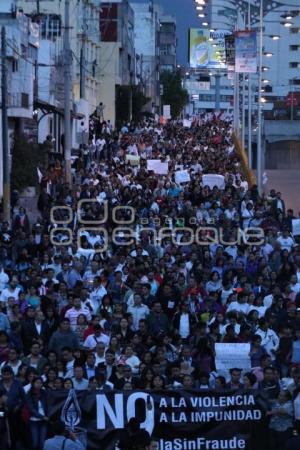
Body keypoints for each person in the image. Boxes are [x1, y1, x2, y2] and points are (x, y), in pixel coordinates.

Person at [27, 377, 49, 450]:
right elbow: (31, 409)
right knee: (35, 442)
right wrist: (42, 416)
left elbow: (48, 405)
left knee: (42, 442)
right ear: (33, 383)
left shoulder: (44, 393)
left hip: (44, 421)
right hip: (34, 421)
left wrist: (46, 416)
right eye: (37, 382)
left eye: (40, 383)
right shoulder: (29, 394)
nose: (38, 384)